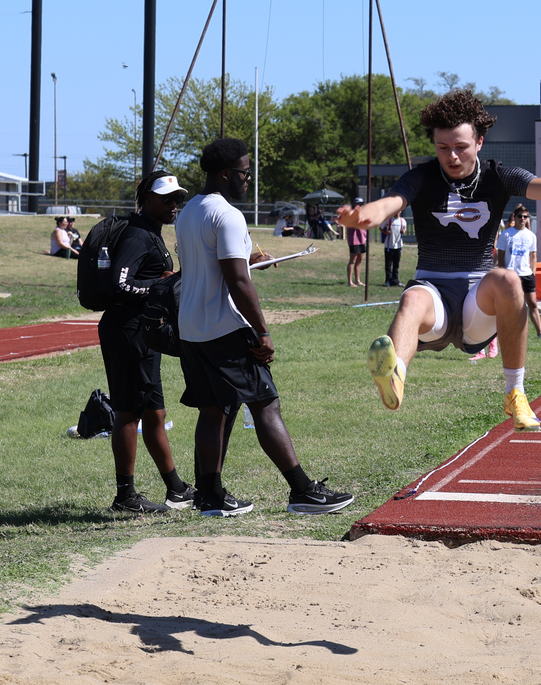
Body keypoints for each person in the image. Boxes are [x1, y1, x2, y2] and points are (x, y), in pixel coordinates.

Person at [332, 88, 541, 431]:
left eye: (460, 147)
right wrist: (365, 215)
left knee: (508, 278)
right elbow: (392, 201)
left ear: (480, 142)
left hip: (477, 301)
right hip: (433, 293)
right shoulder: (422, 176)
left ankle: (515, 393)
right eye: (443, 148)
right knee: (411, 296)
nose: (451, 156)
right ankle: (395, 375)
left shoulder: (497, 176)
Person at [175, 137, 353, 517]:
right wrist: (263, 332)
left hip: (191, 328)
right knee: (265, 405)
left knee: (213, 410)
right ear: (225, 174)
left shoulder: (188, 211)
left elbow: (207, 267)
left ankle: (209, 496)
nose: (247, 178)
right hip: (225, 328)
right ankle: (302, 490)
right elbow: (238, 282)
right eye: (243, 172)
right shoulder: (227, 215)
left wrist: (251, 257)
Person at [101, 171, 197, 514]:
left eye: (177, 199)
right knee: (129, 412)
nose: (174, 205)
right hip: (127, 332)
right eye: (166, 199)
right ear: (147, 199)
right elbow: (120, 284)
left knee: (155, 412)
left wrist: (164, 281)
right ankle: (125, 497)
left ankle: (177, 488)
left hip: (142, 333)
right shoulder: (139, 235)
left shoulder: (151, 233)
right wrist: (159, 285)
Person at [497, 205, 541, 339]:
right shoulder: (506, 234)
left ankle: (540, 332)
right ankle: (511, 332)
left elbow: (533, 256)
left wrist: (533, 272)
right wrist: (503, 272)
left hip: (527, 274)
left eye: (525, 217)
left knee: (533, 304)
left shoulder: (531, 235)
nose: (522, 219)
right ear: (515, 217)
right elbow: (500, 255)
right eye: (520, 216)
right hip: (511, 275)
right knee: (512, 306)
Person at [346, 198, 367, 287]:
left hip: (362, 238)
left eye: (361, 204)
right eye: (358, 204)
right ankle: (350, 281)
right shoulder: (351, 214)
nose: (360, 206)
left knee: (359, 260)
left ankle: (358, 280)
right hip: (354, 240)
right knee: (352, 260)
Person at [383, 212, 406, 286]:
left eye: (399, 211)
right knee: (388, 264)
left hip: (398, 246)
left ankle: (395, 280)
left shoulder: (402, 221)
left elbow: (404, 229)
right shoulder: (389, 220)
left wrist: (403, 231)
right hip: (389, 246)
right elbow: (381, 227)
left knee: (396, 264)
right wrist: (386, 232)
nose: (398, 213)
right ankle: (388, 280)